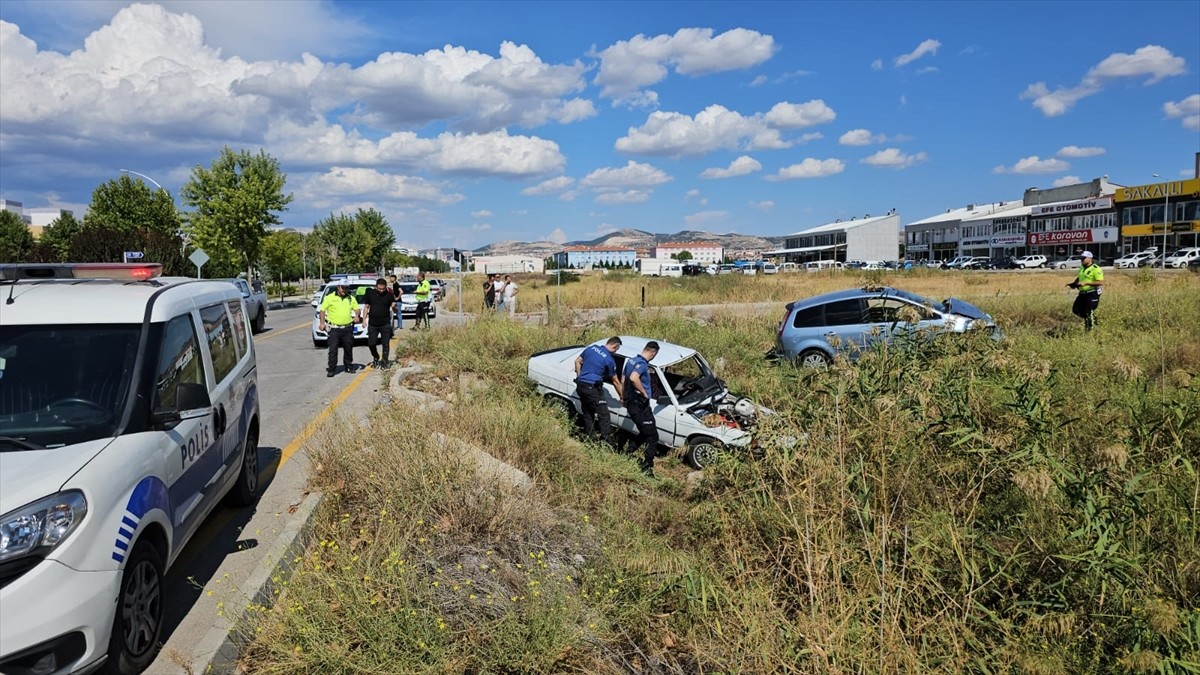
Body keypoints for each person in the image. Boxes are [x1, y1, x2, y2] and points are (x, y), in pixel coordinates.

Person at [574, 336, 623, 446]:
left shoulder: (591, 348)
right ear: (615, 346)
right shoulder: (609, 360)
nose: (615, 352)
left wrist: (579, 377)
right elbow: (615, 381)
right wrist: (622, 396)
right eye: (616, 349)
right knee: (604, 415)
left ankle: (589, 439)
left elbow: (577, 361)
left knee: (588, 413)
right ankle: (605, 441)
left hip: (581, 386)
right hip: (593, 388)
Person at [622, 341, 660, 477]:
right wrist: (644, 392)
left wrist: (623, 397)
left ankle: (628, 452)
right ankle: (647, 467)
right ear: (653, 353)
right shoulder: (642, 365)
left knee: (646, 432)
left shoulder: (632, 361)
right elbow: (633, 378)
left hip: (638, 404)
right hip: (639, 404)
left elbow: (624, 379)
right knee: (653, 437)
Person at [318, 280, 360, 377]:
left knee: (348, 348)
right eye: (342, 287)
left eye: (346, 288)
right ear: (338, 287)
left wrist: (357, 315)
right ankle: (332, 369)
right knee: (333, 349)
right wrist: (322, 323)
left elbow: (357, 309)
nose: (344, 290)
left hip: (347, 328)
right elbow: (322, 311)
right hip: (334, 328)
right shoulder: (329, 298)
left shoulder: (350, 298)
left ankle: (348, 366)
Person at [361, 277, 396, 368]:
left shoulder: (389, 295)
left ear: (386, 287)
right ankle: (376, 356)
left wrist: (394, 307)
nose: (381, 291)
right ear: (376, 287)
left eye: (383, 289)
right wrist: (364, 320)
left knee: (385, 344)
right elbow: (366, 307)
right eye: (379, 289)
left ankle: (385, 362)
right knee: (371, 343)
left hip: (385, 323)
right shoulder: (370, 294)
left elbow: (395, 309)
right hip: (373, 323)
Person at [1067, 250, 1104, 331]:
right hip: (1082, 293)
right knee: (1076, 310)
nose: (1081, 260)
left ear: (1090, 258)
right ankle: (1092, 320)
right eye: (1081, 259)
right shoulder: (1082, 268)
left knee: (1088, 311)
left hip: (1092, 293)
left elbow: (1101, 282)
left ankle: (1090, 329)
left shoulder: (1096, 269)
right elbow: (1080, 277)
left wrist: (1086, 283)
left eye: (1083, 258)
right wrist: (1074, 283)